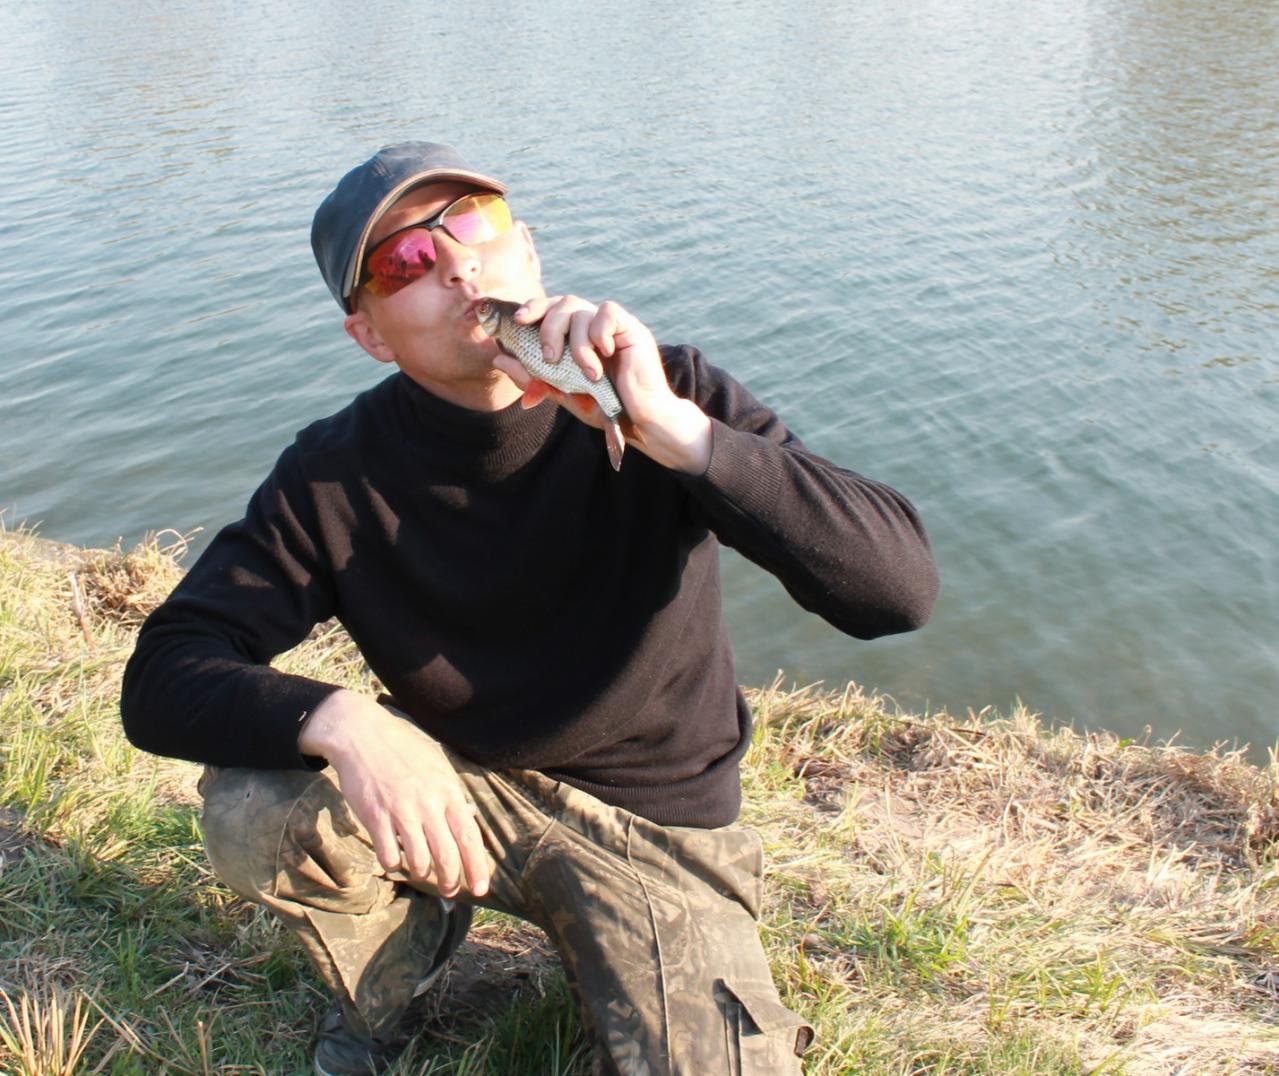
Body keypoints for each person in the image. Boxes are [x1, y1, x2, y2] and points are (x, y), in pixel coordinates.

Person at [121, 141, 939, 1075]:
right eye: (406, 261)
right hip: (455, 796)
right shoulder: (333, 472)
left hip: (653, 827)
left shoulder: (670, 391)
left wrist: (676, 435)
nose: (458, 264)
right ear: (371, 336)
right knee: (255, 804)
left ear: (530, 253)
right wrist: (341, 721)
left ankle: (633, 972)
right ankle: (404, 962)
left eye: (474, 223)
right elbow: (165, 672)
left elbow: (897, 593)